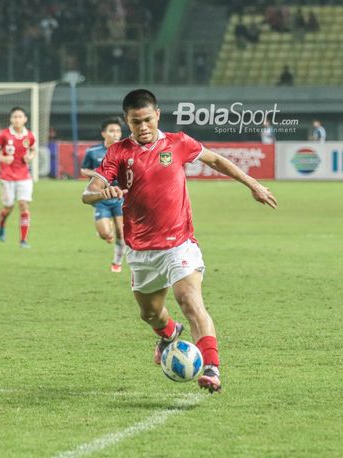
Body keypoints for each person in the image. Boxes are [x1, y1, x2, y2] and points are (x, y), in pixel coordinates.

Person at [81, 89, 277, 393]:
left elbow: (215, 159)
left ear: (157, 114)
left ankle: (211, 366)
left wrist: (252, 184)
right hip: (141, 251)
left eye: (148, 119)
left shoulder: (178, 143)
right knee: (150, 314)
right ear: (127, 121)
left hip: (179, 244)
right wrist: (101, 193)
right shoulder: (118, 152)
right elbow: (87, 193)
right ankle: (170, 334)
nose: (143, 126)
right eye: (136, 122)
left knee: (189, 300)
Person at [80, 118, 126, 273]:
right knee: (105, 234)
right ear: (103, 133)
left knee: (122, 232)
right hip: (101, 198)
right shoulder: (93, 152)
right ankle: (106, 230)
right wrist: (97, 175)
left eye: (118, 131)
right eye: (111, 131)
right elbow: (83, 169)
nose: (115, 134)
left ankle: (117, 262)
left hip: (120, 197)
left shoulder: (125, 151)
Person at [0, 107, 37, 248]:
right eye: (15, 117)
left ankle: (23, 240)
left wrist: (29, 157)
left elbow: (33, 150)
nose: (17, 119)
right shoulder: (4, 135)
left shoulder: (29, 136)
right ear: (11, 119)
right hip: (7, 176)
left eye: (20, 116)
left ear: (25, 119)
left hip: (24, 176)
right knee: (8, 207)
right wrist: (2, 158)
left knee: (24, 205)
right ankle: (2, 223)